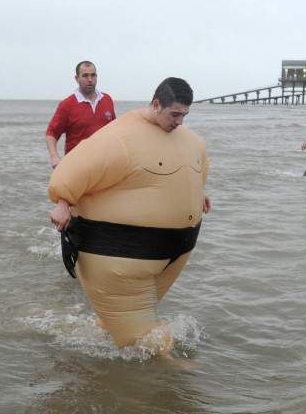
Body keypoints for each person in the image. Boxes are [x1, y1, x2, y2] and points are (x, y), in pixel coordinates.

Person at [49, 77, 211, 358]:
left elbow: (191, 170)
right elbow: (76, 167)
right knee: (149, 341)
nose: (180, 122)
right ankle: (176, 377)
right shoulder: (118, 137)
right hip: (118, 253)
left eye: (185, 115)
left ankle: (97, 347)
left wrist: (199, 191)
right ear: (157, 105)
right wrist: (64, 201)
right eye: (175, 114)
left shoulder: (191, 140)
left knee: (125, 326)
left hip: (173, 253)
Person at [45, 61, 116, 169]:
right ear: (77, 78)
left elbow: (114, 130)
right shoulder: (67, 104)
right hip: (76, 167)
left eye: (93, 75)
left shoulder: (107, 99)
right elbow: (51, 133)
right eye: (85, 76)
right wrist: (55, 157)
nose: (90, 79)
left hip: (104, 165)